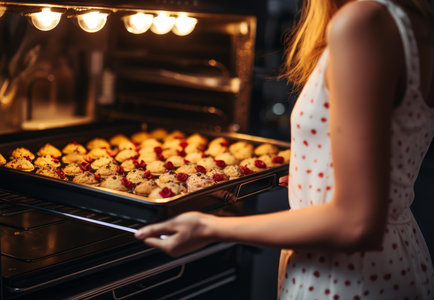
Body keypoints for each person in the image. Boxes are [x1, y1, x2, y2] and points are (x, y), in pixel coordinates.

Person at [135, 0, 434, 298]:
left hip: (345, 279)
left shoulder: (363, 23)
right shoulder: (410, 22)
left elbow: (356, 223)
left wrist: (209, 227)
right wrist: (319, 178)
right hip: (399, 258)